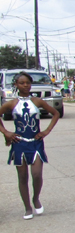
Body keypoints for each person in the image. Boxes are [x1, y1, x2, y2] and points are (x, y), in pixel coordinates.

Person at [0, 71, 60, 219]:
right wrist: (6, 132)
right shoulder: (12, 103)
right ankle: (27, 207)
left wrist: (46, 131)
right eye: (22, 83)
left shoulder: (37, 101)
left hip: (36, 143)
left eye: (27, 82)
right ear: (16, 85)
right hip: (19, 144)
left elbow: (55, 113)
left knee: (37, 174)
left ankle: (36, 198)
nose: (25, 85)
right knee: (22, 176)